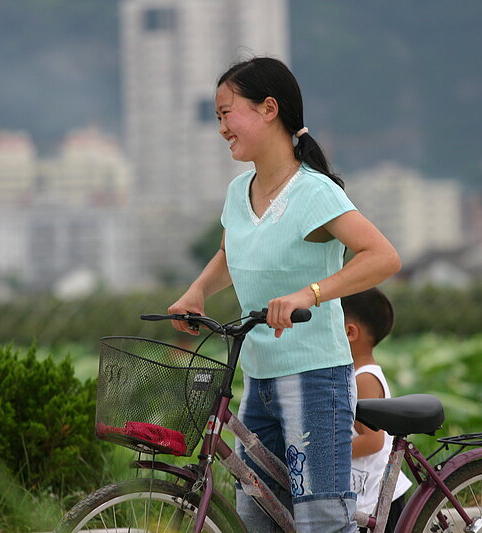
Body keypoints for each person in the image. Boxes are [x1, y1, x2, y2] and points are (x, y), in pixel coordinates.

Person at [168, 57, 401, 532]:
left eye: (226, 112)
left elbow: (382, 256)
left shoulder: (313, 193)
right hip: (259, 379)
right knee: (260, 521)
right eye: (217, 117)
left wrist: (310, 294)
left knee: (321, 523)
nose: (222, 128)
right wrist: (197, 291)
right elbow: (231, 253)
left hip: (314, 378)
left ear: (268, 108)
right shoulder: (239, 192)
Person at [342, 287, 412, 533]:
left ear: (350, 332)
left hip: (378, 499)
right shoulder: (357, 374)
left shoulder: (364, 379)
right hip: (368, 493)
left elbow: (373, 441)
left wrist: (328, 454)